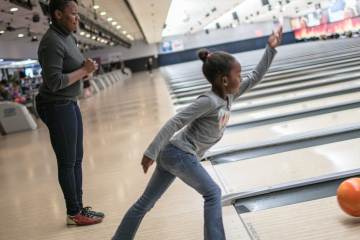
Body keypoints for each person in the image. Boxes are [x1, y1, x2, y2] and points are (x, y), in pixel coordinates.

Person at [112, 26, 283, 240]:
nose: (241, 78)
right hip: (179, 153)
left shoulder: (229, 95)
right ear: (224, 79)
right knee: (212, 193)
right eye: (237, 75)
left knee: (145, 203)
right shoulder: (208, 101)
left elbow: (255, 76)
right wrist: (151, 152)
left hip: (174, 154)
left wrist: (270, 48)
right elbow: (176, 121)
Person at [35, 0, 104, 226]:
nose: (77, 18)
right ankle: (73, 212)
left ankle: (79, 207)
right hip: (55, 105)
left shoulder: (69, 37)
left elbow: (73, 70)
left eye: (77, 14)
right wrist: (83, 70)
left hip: (69, 102)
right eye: (73, 14)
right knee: (67, 161)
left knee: (76, 159)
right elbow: (54, 82)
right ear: (57, 14)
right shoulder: (51, 42)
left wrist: (87, 72)